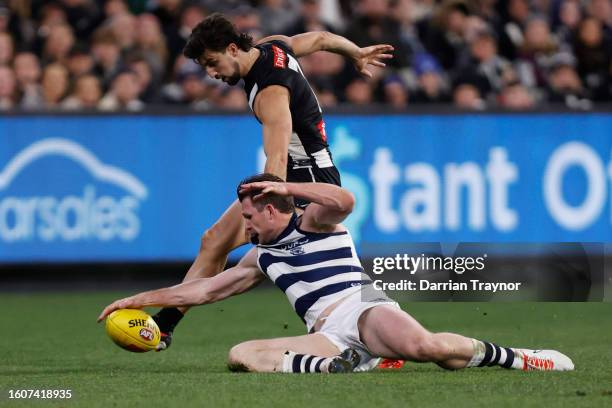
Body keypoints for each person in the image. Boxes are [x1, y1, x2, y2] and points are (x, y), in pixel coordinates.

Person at [98, 174, 575, 374]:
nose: (243, 227)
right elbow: (201, 289)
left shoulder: (313, 220)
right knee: (240, 355)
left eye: (248, 217)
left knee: (430, 350)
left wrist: (287, 184)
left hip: (361, 308)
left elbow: (344, 200)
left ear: (271, 208)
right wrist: (136, 301)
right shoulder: (259, 257)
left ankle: (521, 359)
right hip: (326, 334)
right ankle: (339, 366)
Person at [150, 13, 394, 350]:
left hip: (305, 179)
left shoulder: (271, 92)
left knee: (303, 269)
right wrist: (354, 52)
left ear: (233, 48)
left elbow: (277, 157)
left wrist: (267, 206)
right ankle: (164, 327)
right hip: (295, 175)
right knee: (214, 240)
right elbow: (321, 39)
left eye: (212, 62)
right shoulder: (271, 46)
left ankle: (381, 331)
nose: (211, 73)